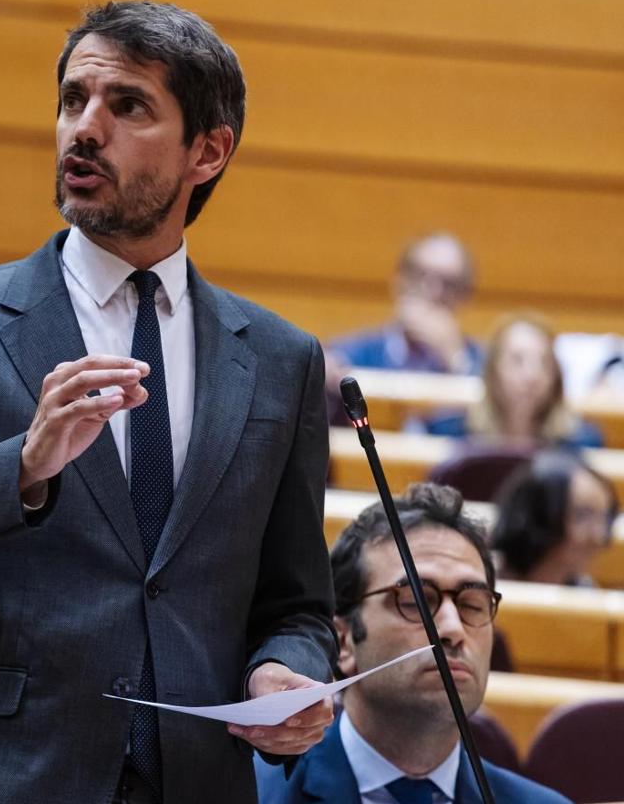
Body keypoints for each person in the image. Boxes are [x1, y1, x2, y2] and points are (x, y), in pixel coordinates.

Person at [0, 1, 336, 804]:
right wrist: (21, 468)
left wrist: (286, 673)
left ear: (209, 149)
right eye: (72, 101)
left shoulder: (279, 360)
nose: (84, 129)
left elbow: (297, 603)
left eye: (127, 106)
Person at [257, 483, 571, 803]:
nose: (452, 628)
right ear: (343, 641)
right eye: (415, 601)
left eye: (472, 605)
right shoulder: (249, 793)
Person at [418, 312, 603, 448]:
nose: (532, 376)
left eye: (544, 362)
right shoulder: (450, 434)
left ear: (556, 378)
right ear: (493, 371)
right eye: (517, 360)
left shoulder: (581, 442)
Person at [330, 233, 482, 375]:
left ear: (465, 296)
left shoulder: (483, 363)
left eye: (449, 284)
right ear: (399, 282)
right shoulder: (354, 353)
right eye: (421, 275)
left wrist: (456, 359)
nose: (433, 290)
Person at [493, 450, 618, 586]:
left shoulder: (585, 592)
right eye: (582, 516)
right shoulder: (483, 587)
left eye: (604, 518)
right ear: (538, 517)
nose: (599, 536)